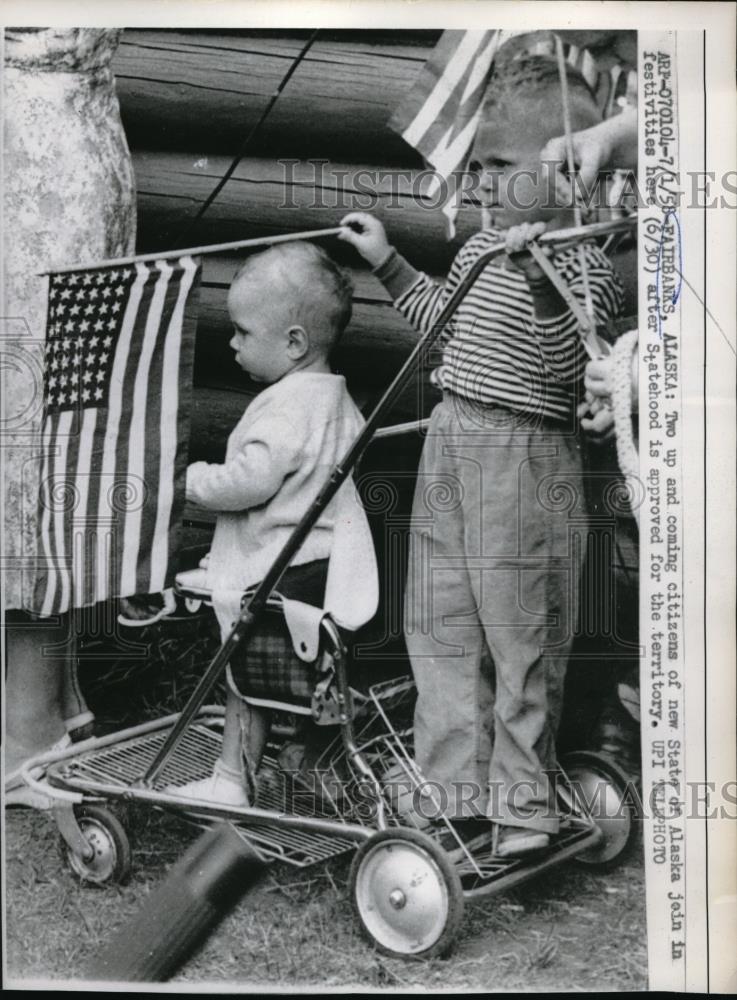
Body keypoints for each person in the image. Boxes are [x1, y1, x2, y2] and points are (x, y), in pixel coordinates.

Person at [340, 53, 624, 857]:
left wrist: (538, 275)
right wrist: (386, 260)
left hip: (525, 461)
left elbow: (567, 365)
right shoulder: (474, 253)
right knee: (441, 625)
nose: (481, 183)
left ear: (565, 172)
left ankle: (523, 806)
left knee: (519, 631)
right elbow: (441, 322)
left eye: (500, 166)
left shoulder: (582, 266)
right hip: (450, 442)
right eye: (476, 167)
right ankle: (453, 792)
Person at [174, 241, 370, 805]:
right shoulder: (337, 399)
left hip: (276, 573)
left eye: (242, 331)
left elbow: (250, 480)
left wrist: (191, 480)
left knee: (243, 677)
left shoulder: (287, 406)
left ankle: (232, 779)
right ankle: (303, 755)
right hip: (322, 570)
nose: (232, 342)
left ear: (293, 343)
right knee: (284, 678)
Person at [4, 29, 136, 801]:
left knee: (47, 440)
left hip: (55, 159)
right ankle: (39, 711)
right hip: (46, 145)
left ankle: (35, 717)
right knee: (32, 437)